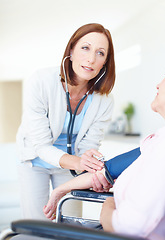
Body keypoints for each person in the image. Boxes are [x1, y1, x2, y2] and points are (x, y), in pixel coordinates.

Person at [43, 53, 165, 240]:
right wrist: (61, 189)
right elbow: (109, 169)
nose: (158, 84)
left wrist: (109, 204)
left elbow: (129, 229)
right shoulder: (160, 140)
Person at [16, 23, 116, 220]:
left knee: (70, 223)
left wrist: (90, 166)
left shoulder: (104, 100)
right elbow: (41, 145)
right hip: (35, 160)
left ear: (105, 61)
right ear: (71, 50)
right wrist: (80, 162)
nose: (91, 59)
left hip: (70, 166)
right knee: (37, 223)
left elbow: (89, 145)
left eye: (100, 53)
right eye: (85, 48)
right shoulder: (41, 82)